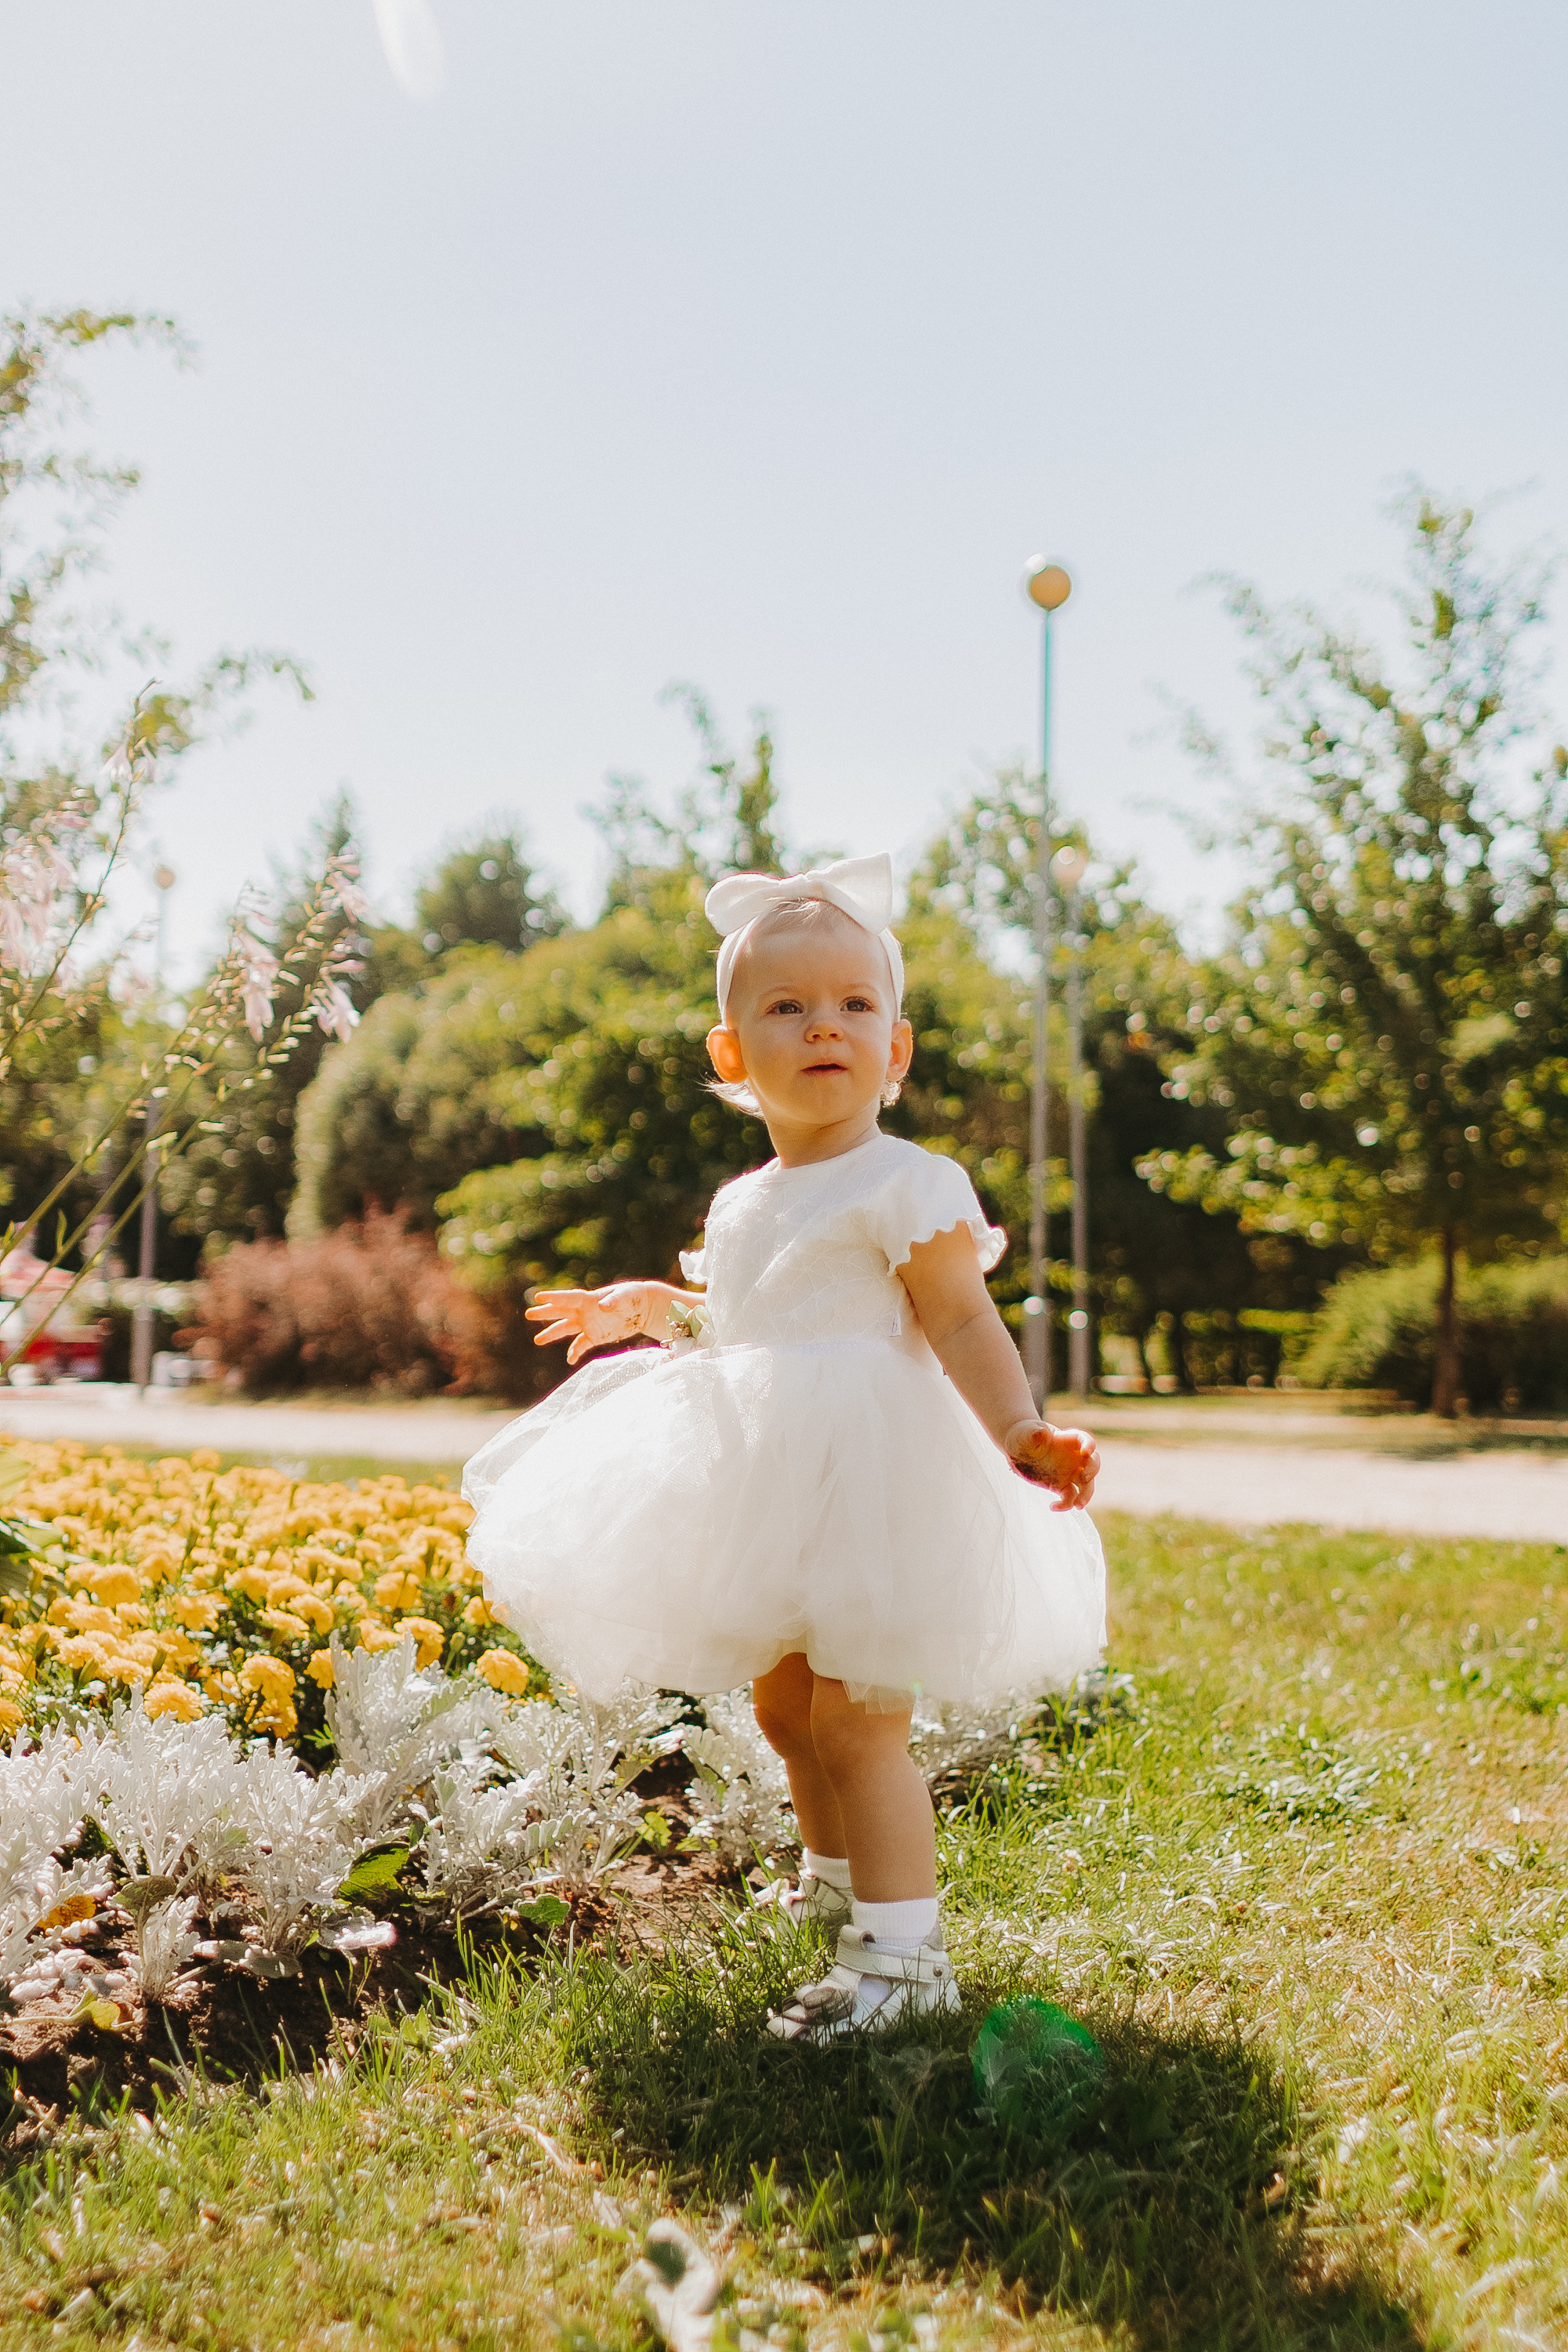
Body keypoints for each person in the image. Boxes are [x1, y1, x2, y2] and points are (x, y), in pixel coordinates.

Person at [463, 853, 1105, 2042]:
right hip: (771, 1477)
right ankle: (832, 1884)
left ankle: (904, 1959)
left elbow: (959, 1317)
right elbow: (753, 1320)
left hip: (874, 1481)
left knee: (861, 1721)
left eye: (857, 1005)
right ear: (732, 1056)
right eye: (789, 1006)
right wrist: (661, 1308)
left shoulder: (909, 1182)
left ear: (897, 1051)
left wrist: (1018, 1429)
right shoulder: (748, 1198)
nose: (826, 1027)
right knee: (786, 1706)